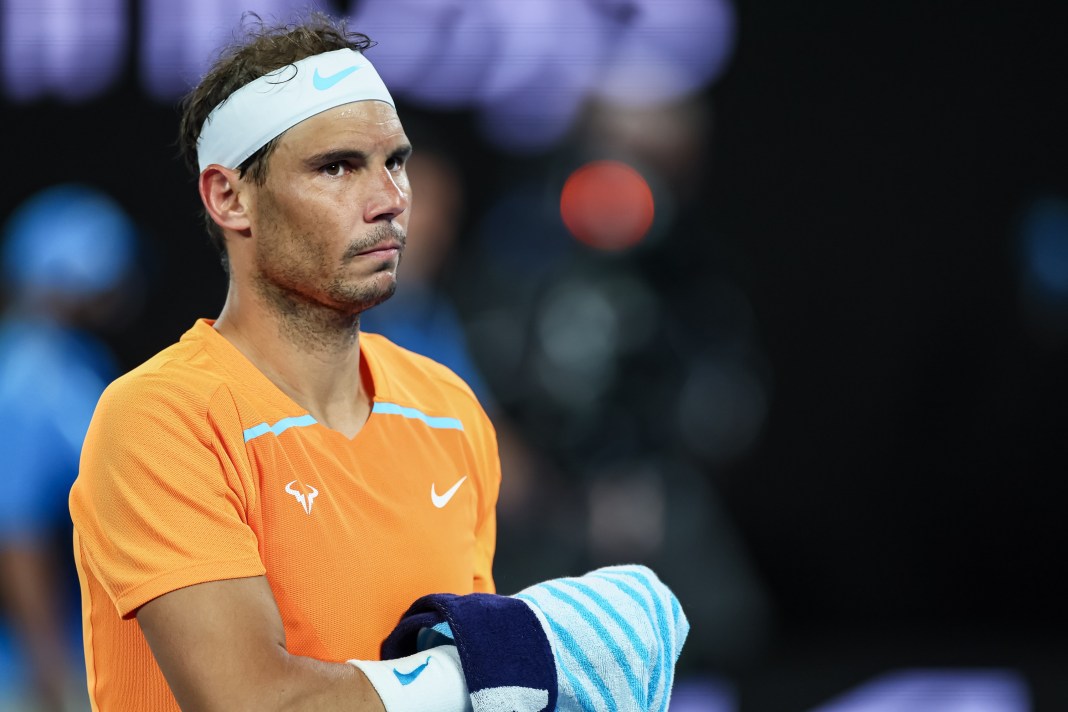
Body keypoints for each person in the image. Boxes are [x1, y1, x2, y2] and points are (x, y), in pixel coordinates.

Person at [68, 10, 687, 712]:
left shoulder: (449, 410)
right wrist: (496, 667)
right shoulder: (161, 418)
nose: (391, 201)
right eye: (337, 167)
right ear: (229, 197)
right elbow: (253, 703)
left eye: (396, 162)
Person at [0, 183, 141, 711]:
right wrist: (50, 676)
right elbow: (16, 535)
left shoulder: (70, 361)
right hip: (31, 670)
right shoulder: (27, 374)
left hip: (72, 654)